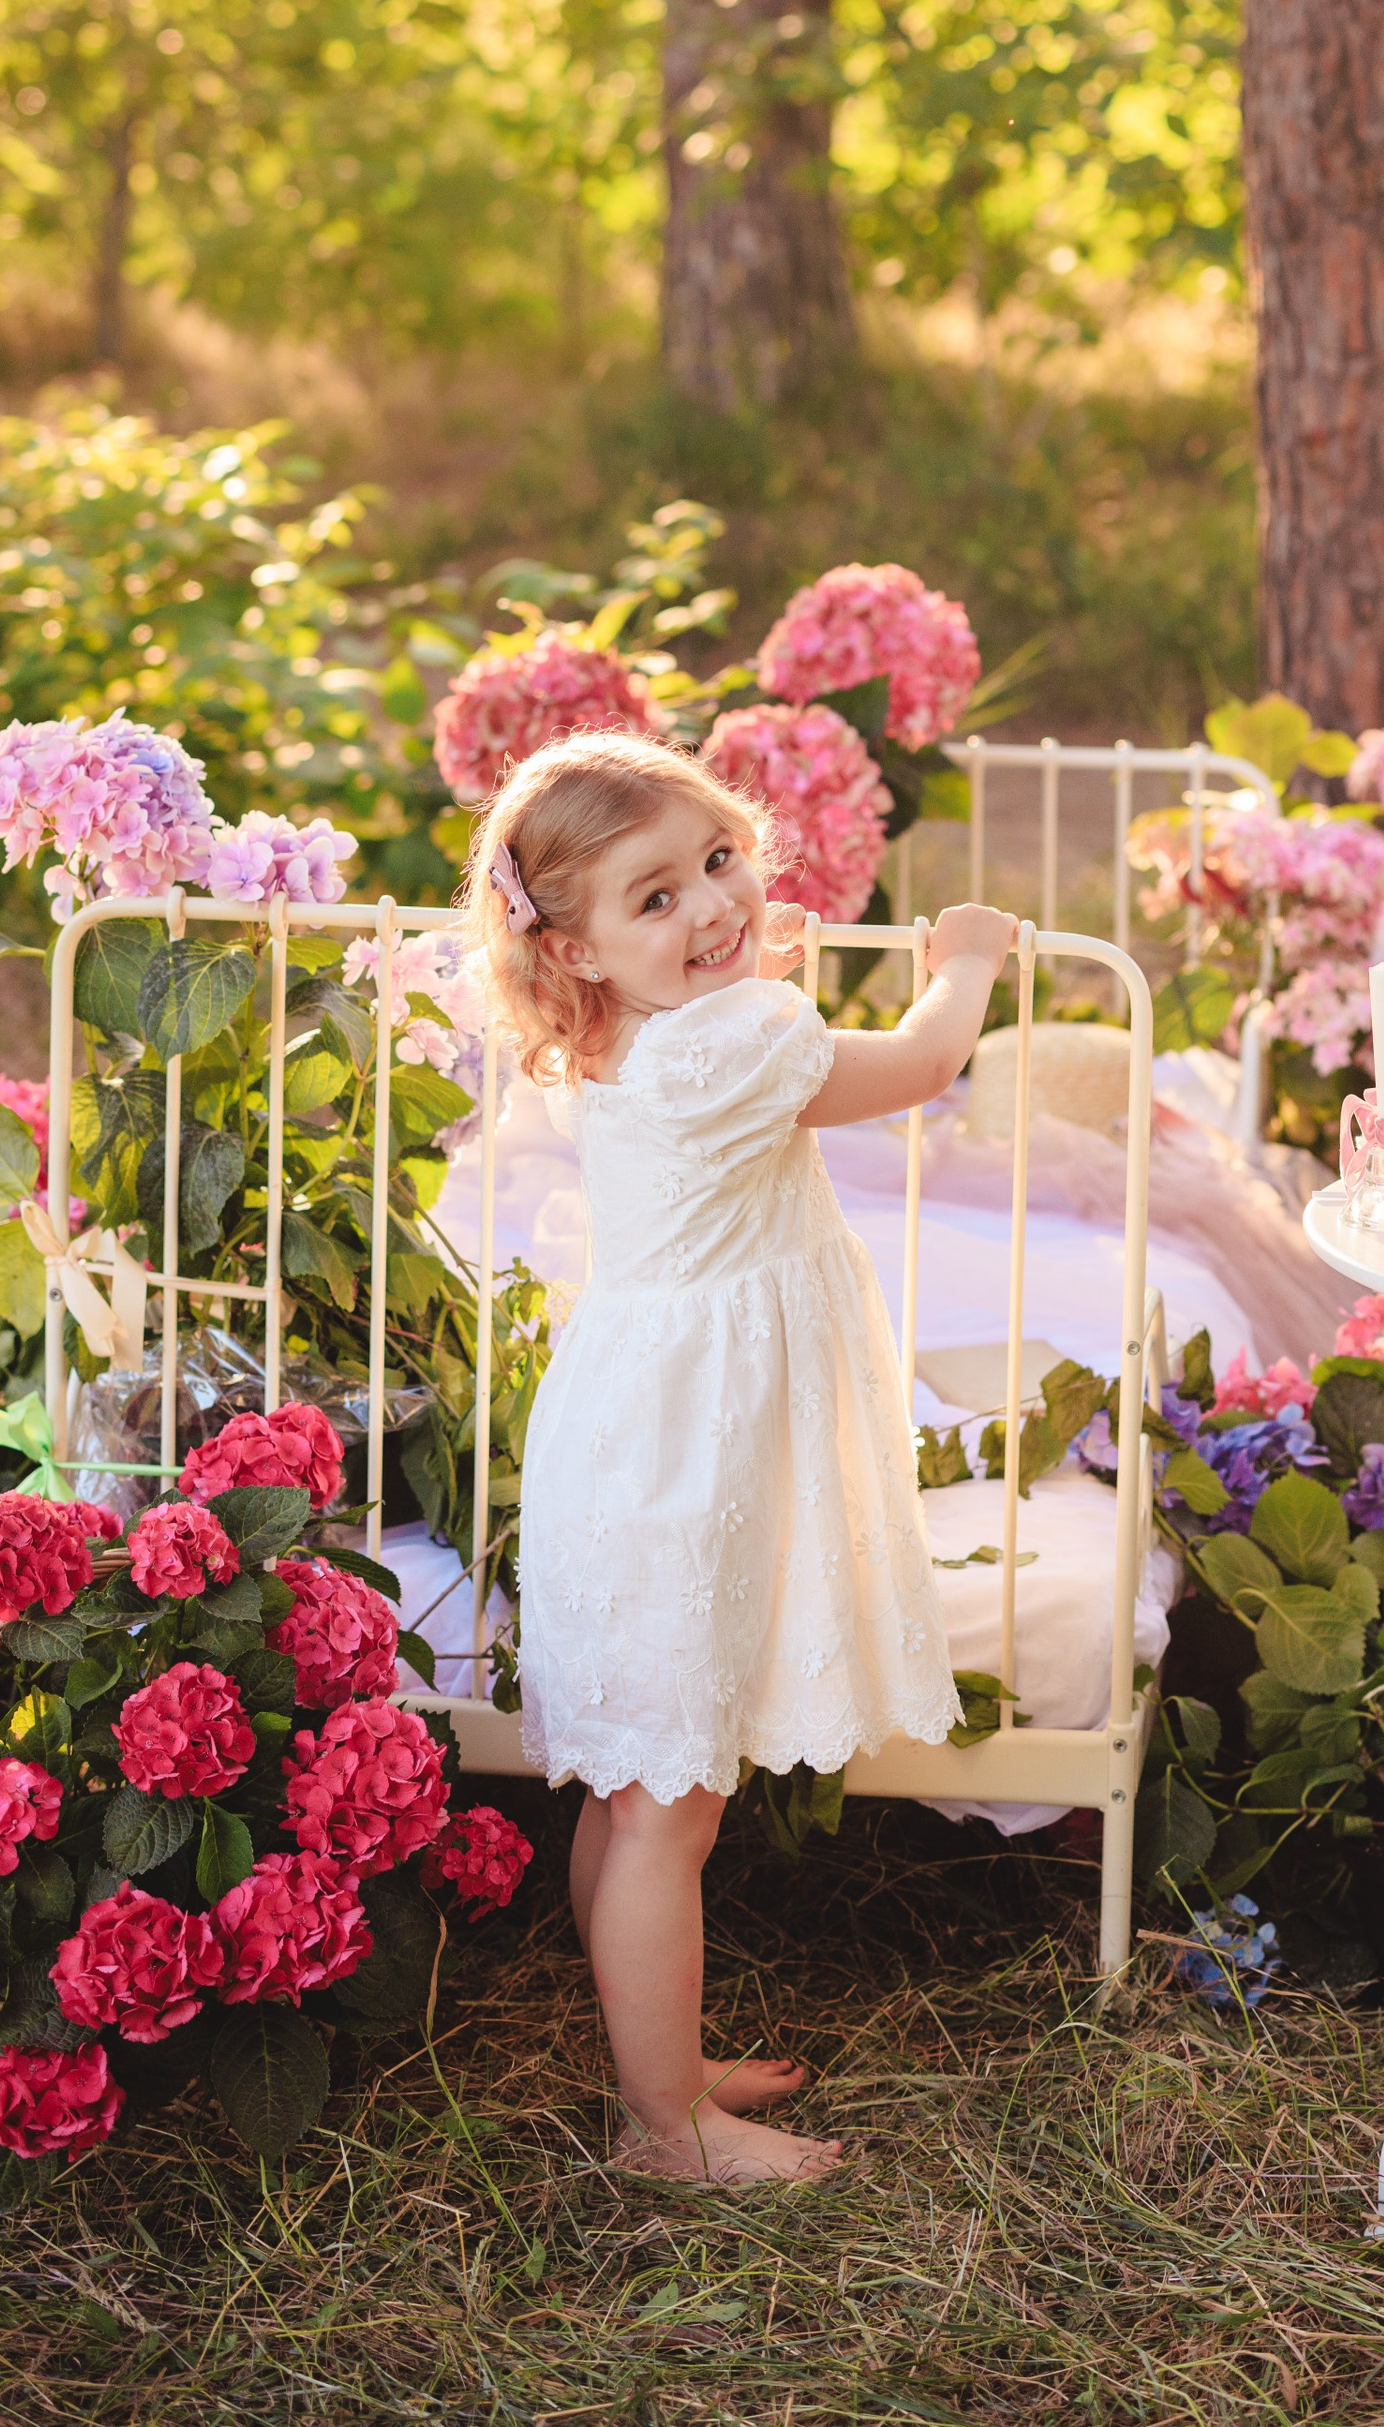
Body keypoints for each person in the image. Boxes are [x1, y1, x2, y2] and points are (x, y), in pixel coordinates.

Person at [468, 727, 1015, 2186]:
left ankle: (658, 2056)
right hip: (692, 1452)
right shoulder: (750, 1035)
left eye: (719, 861)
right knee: (669, 1801)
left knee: (639, 1779)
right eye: (656, 898)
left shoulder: (621, 1036)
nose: (713, 907)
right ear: (576, 945)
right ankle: (673, 2129)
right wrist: (962, 956)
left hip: (630, 1427)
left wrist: (730, 955)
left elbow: (731, 1018)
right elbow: (922, 1058)